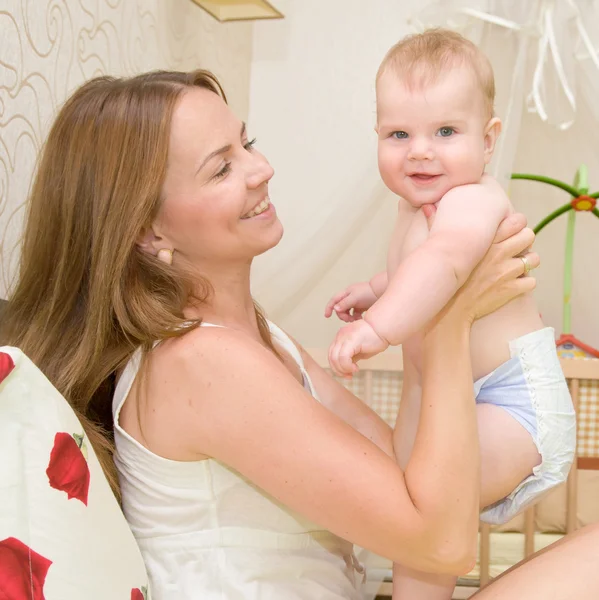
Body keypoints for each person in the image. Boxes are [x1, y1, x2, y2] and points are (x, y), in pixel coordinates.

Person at [0, 68, 596, 600]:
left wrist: (431, 308)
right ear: (148, 232)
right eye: (223, 166)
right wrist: (447, 318)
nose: (262, 168)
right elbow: (440, 544)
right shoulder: (201, 363)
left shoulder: (264, 342)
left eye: (247, 142)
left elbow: (412, 471)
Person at [325, 29, 576, 599]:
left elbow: (444, 262)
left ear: (488, 141)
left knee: (428, 509)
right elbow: (419, 270)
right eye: (399, 133)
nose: (419, 150)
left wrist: (379, 325)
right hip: (457, 396)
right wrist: (375, 287)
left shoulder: (475, 200)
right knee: (426, 523)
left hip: (513, 403)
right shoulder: (412, 206)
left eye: (445, 131)